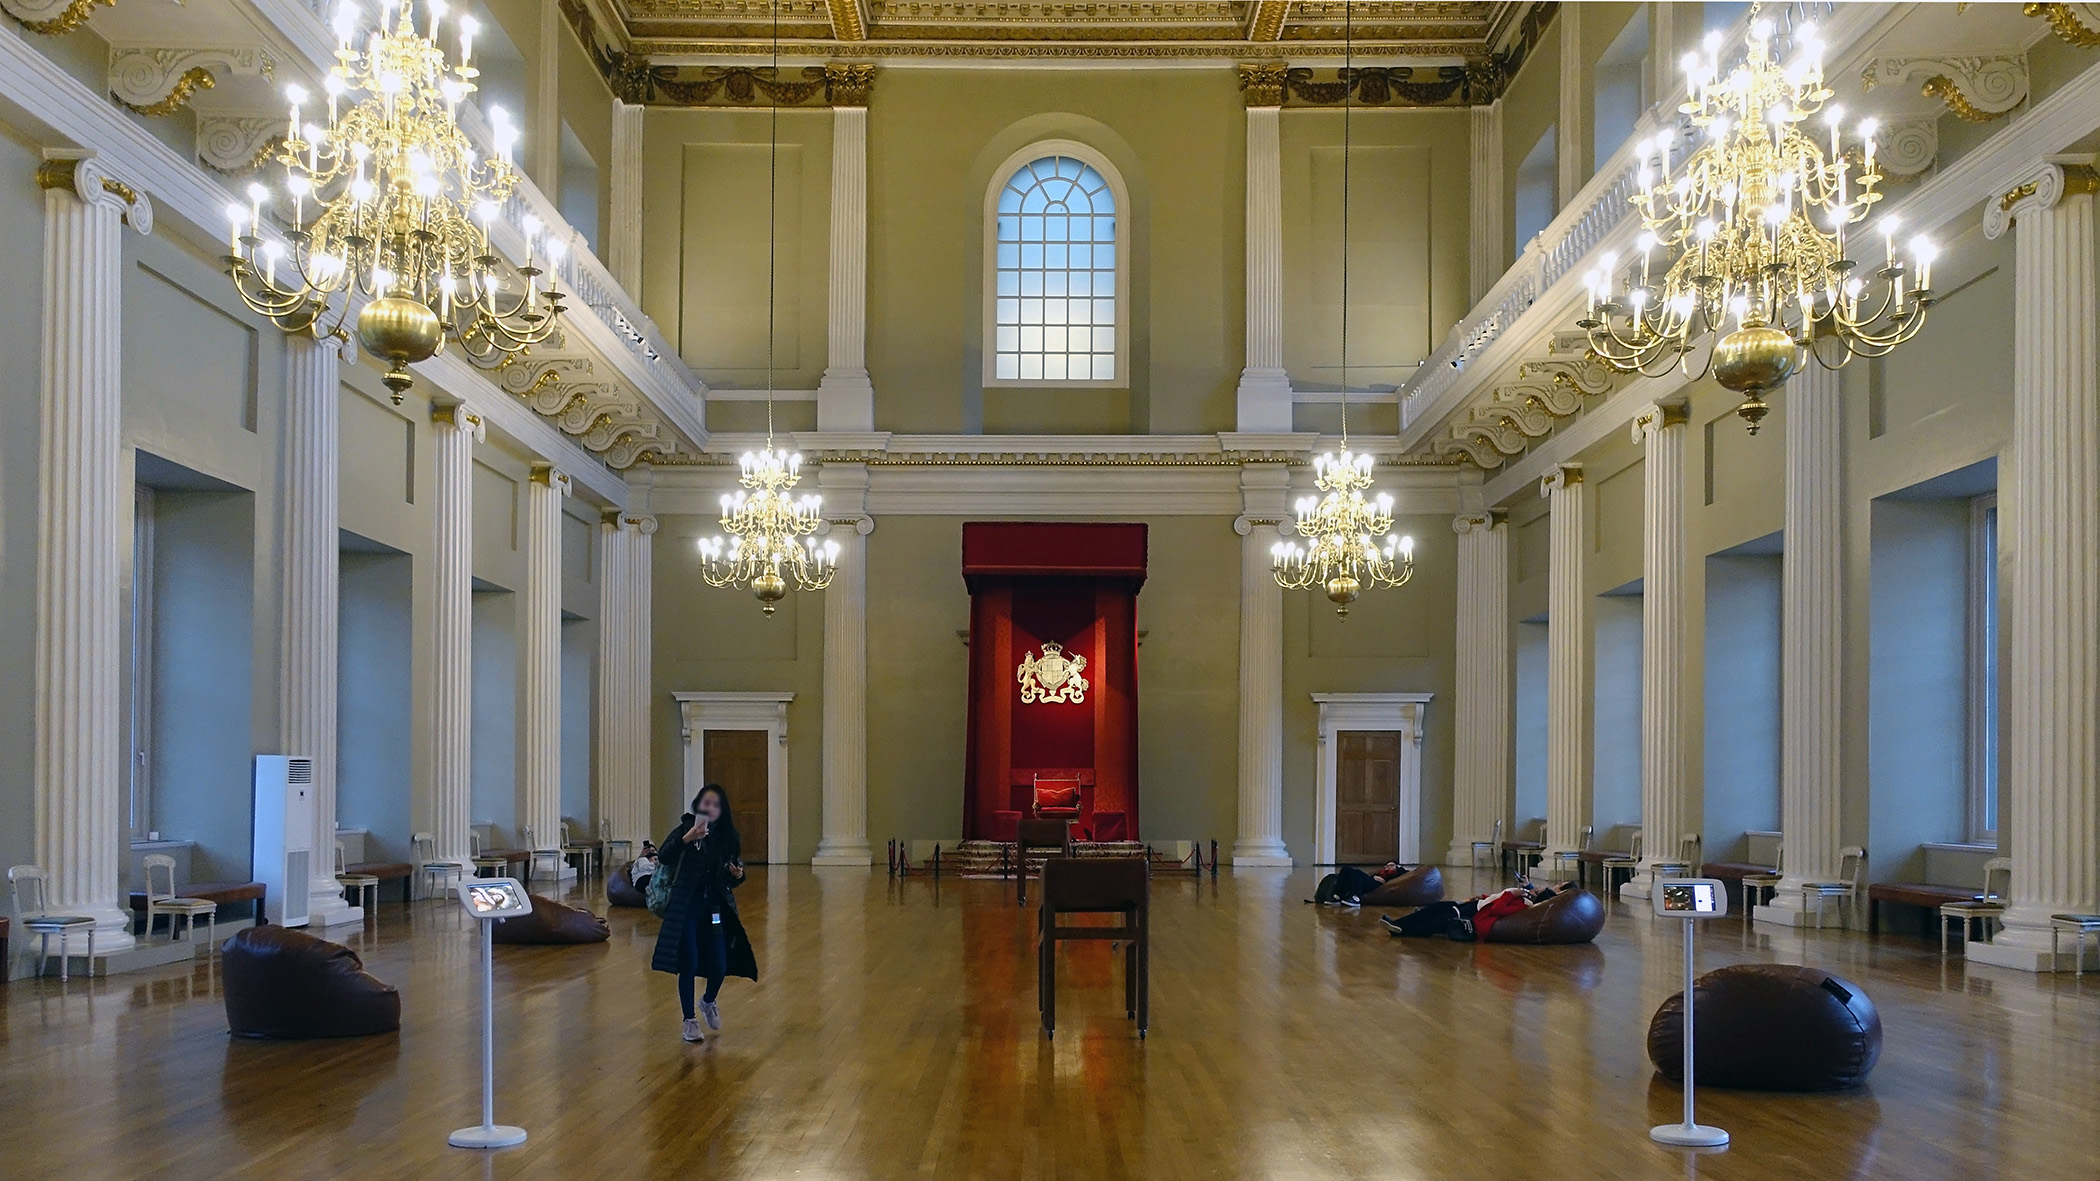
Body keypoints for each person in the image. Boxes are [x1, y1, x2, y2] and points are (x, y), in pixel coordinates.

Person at [650, 784, 756, 1042]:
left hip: (715, 910)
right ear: (698, 806)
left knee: (719, 964)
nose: (709, 808)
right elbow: (664, 855)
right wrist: (688, 838)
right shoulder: (684, 829)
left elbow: (730, 878)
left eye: (715, 804)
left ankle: (708, 1001)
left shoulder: (727, 838)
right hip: (685, 907)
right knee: (689, 961)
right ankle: (689, 1020)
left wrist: (737, 875)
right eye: (705, 803)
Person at [1380, 879, 1580, 941]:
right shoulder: (1526, 896)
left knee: (1438, 921)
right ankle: (1402, 923)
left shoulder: (1525, 904)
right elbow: (1494, 900)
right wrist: (1481, 897)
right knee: (1438, 908)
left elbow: (1500, 909)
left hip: (1474, 914)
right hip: (1476, 905)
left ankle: (1404, 929)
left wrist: (1514, 894)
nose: (1540, 887)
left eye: (1553, 886)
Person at [1310, 862, 1413, 906]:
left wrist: (1384, 879)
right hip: (1371, 880)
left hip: (1377, 885)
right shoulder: (1379, 872)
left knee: (1357, 873)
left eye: (1391, 866)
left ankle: (1355, 898)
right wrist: (1374, 876)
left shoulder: (1397, 874)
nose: (1387, 867)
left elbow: (1404, 875)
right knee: (1347, 869)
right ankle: (1337, 896)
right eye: (1386, 866)